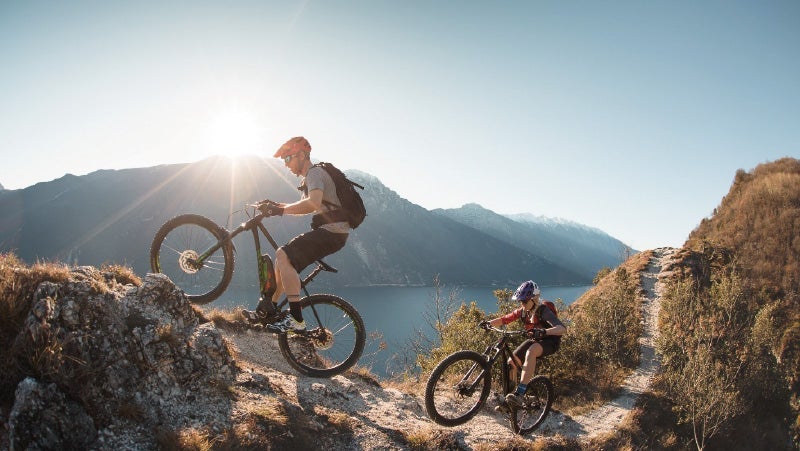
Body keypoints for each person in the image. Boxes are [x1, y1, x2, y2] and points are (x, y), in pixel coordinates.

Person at [243, 136, 351, 333]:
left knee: (283, 255)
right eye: (283, 160)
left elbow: (313, 204)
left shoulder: (315, 173)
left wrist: (279, 211)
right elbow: (307, 206)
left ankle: (296, 320)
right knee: (282, 261)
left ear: (302, 155)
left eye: (287, 158)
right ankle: (268, 310)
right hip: (332, 232)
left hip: (332, 232)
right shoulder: (310, 177)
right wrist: (275, 206)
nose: (285, 164)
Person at [479, 280, 566, 410]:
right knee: (511, 362)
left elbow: (562, 328)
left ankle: (520, 393)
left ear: (534, 299)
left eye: (524, 301)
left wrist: (544, 331)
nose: (522, 304)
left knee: (531, 351)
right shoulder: (523, 311)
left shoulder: (543, 310)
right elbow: (505, 319)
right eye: (520, 301)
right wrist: (489, 323)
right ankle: (510, 400)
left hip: (550, 341)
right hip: (535, 340)